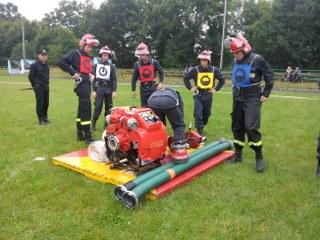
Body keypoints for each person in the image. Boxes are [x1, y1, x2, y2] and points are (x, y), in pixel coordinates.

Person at [225, 33, 274, 173]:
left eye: (237, 53)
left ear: (244, 49)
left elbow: (269, 76)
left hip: (253, 97)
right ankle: (238, 154)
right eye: (233, 53)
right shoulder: (237, 61)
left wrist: (265, 93)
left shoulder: (257, 59)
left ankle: (259, 157)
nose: (235, 56)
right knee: (237, 126)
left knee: (250, 126)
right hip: (238, 97)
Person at [58, 34, 99, 144]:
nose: (90, 49)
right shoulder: (75, 53)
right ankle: (88, 136)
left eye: (91, 47)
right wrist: (73, 72)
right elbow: (61, 62)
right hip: (81, 84)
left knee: (82, 109)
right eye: (89, 46)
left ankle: (80, 133)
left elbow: (88, 69)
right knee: (86, 109)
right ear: (83, 44)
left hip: (87, 83)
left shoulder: (87, 57)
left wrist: (91, 75)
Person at [183, 50, 225, 136]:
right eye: (202, 60)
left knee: (207, 113)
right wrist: (190, 87)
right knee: (198, 112)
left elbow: (222, 79)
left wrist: (216, 89)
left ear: (208, 61)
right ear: (199, 60)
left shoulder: (214, 70)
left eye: (205, 60)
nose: (203, 62)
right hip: (198, 94)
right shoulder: (195, 70)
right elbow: (186, 78)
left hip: (208, 94)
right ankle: (199, 130)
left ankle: (202, 125)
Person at [148, 87, 188, 163]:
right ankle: (179, 149)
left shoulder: (158, 91)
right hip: (169, 101)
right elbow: (180, 115)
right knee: (178, 125)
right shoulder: (177, 94)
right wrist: (180, 124)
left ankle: (157, 148)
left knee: (158, 126)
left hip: (152, 100)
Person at [91, 46, 117, 131]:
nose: (105, 56)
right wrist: (94, 90)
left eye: (107, 55)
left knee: (108, 108)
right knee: (97, 107)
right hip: (99, 89)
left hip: (108, 89)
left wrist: (114, 90)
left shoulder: (112, 66)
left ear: (109, 56)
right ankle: (93, 124)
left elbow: (114, 79)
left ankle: (106, 125)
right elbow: (94, 79)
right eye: (104, 55)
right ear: (101, 55)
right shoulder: (95, 66)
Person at [131, 42, 165, 107]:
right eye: (140, 55)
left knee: (154, 106)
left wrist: (161, 83)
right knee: (144, 107)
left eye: (142, 55)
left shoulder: (154, 62)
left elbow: (161, 72)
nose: (141, 57)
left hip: (153, 87)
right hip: (143, 88)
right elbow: (134, 78)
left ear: (147, 54)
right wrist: (133, 90)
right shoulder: (137, 64)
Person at [28, 49, 50, 125]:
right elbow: (30, 76)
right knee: (40, 103)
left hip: (46, 86)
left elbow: (47, 75)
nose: (44, 57)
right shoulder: (34, 65)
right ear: (39, 56)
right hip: (39, 86)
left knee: (46, 103)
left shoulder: (46, 65)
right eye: (42, 55)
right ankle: (41, 119)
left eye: (45, 55)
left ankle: (45, 117)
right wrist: (34, 85)